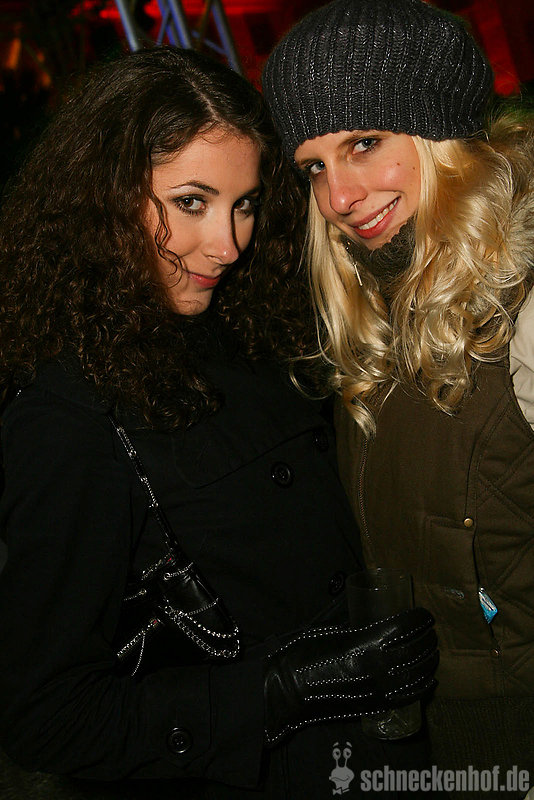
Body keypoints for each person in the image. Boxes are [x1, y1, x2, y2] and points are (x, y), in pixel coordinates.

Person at [0, 45, 438, 800]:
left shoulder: (255, 326)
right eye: (190, 203)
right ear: (101, 197)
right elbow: (45, 716)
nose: (228, 245)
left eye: (244, 205)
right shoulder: (67, 413)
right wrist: (276, 691)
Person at [262, 0, 534, 796]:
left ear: (440, 134)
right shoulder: (383, 307)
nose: (339, 198)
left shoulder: (523, 311)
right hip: (454, 750)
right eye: (313, 166)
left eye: (363, 143)